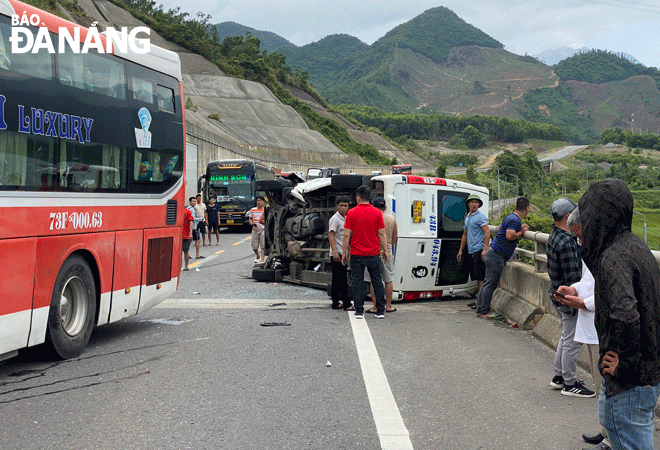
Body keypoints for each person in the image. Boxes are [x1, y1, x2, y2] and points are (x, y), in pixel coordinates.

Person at [578, 178, 660, 450]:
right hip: (648, 376)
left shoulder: (613, 256)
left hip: (628, 386)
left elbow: (626, 314)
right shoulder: (637, 246)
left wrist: (623, 365)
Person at [556, 207, 611, 450]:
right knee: (600, 387)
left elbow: (611, 292)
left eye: (580, 236)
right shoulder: (591, 251)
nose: (579, 241)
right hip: (590, 325)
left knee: (608, 387)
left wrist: (583, 303)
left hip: (602, 328)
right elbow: (588, 282)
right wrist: (574, 289)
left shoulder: (610, 253)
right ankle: (605, 430)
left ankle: (611, 437)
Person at [547, 197, 594, 398]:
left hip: (557, 293)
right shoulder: (567, 242)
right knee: (573, 342)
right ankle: (569, 383)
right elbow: (574, 274)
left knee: (566, 338)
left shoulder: (554, 235)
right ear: (568, 216)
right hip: (568, 298)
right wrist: (578, 297)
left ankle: (559, 377)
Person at [475, 197, 529, 318]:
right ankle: (484, 311)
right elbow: (510, 235)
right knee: (490, 284)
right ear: (527, 209)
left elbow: (500, 229)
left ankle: (480, 309)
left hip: (493, 253)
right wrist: (522, 232)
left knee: (486, 283)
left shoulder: (510, 217)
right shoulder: (515, 220)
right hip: (496, 256)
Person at [342, 185, 387, 319]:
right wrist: (385, 250)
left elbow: (346, 234)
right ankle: (380, 311)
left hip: (356, 253)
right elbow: (382, 234)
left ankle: (359, 310)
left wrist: (345, 252)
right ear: (369, 198)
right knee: (377, 281)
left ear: (358, 198)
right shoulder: (377, 213)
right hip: (373, 253)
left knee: (358, 282)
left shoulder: (351, 213)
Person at [457, 194, 490, 309]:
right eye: (472, 202)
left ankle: (480, 303)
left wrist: (484, 249)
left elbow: (487, 232)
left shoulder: (481, 217)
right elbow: (465, 234)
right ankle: (478, 300)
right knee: (476, 277)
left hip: (479, 250)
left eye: (476, 202)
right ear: (468, 204)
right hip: (471, 251)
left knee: (480, 278)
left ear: (479, 205)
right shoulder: (468, 217)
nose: (474, 204)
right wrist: (460, 250)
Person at [366, 196, 398, 314]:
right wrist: (388, 247)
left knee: (373, 280)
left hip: (373, 253)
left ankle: (375, 306)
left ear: (373, 206)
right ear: (385, 207)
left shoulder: (370, 218)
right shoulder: (392, 219)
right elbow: (395, 237)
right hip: (388, 253)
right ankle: (388, 306)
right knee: (388, 280)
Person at [328, 196, 352, 311]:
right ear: (337, 206)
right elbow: (331, 235)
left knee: (337, 279)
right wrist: (335, 252)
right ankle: (346, 303)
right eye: (341, 205)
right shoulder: (335, 219)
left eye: (345, 206)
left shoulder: (346, 217)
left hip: (344, 252)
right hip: (337, 253)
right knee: (342, 279)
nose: (343, 208)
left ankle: (335, 302)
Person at [248, 196, 266, 264]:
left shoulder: (265, 210)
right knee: (254, 245)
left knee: (263, 245)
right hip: (255, 229)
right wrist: (251, 223)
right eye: (258, 200)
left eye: (260, 200)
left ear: (263, 202)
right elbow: (250, 218)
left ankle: (262, 259)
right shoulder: (253, 210)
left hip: (263, 229)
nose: (259, 202)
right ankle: (258, 256)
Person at [181, 206, 195, 271]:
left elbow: (191, 222)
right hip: (177, 235)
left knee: (186, 251)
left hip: (185, 235)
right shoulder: (176, 211)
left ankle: (186, 265)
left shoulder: (187, 211)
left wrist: (190, 233)